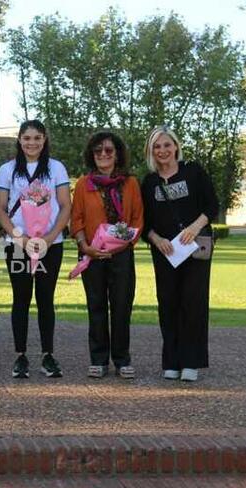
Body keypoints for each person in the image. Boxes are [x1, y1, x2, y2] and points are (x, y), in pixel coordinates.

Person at [141, 126, 219, 382]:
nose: (162, 150)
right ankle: (171, 361)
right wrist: (157, 239)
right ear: (151, 151)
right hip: (166, 252)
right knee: (168, 303)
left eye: (167, 145)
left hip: (195, 248)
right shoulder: (149, 182)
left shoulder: (193, 172)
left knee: (193, 303)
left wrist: (195, 228)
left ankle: (191, 363)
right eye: (157, 146)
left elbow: (212, 206)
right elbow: (145, 223)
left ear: (176, 146)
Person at [0, 120, 71, 379]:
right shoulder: (7, 170)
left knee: (46, 299)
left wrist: (49, 238)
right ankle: (20, 356)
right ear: (19, 140)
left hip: (51, 244)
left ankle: (47, 355)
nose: (32, 143)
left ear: (44, 139)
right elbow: (1, 210)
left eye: (37, 138)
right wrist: (20, 238)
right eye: (27, 138)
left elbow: (65, 206)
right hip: (18, 245)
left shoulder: (56, 167)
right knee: (21, 299)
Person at [70, 131, 144, 379]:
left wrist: (119, 245)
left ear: (117, 154)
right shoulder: (83, 184)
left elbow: (137, 221)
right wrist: (85, 245)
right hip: (91, 254)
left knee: (122, 307)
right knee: (96, 306)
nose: (103, 154)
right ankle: (98, 359)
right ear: (92, 155)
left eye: (109, 150)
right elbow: (76, 219)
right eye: (98, 150)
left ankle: (122, 359)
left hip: (122, 255)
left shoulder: (131, 183)